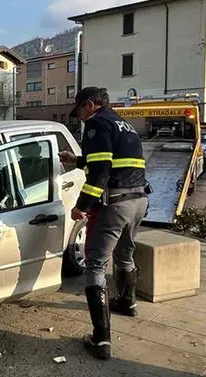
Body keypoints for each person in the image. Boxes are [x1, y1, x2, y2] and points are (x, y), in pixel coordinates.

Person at [60, 87, 148, 360]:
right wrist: (77, 160)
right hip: (139, 200)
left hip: (114, 204)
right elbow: (114, 161)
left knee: (95, 264)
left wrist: (81, 207)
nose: (81, 118)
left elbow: (100, 174)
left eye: (80, 112)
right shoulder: (125, 125)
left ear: (89, 105)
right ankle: (127, 302)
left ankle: (101, 340)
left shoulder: (97, 125)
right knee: (125, 253)